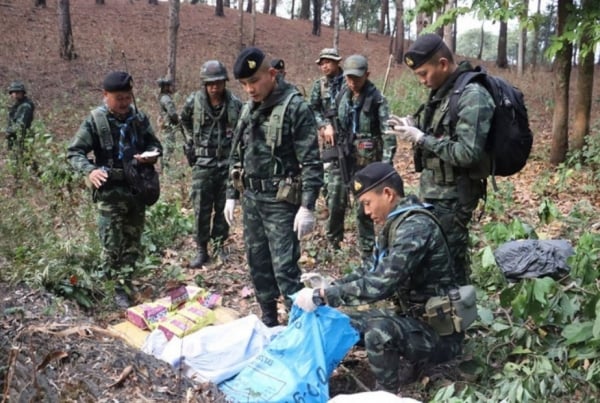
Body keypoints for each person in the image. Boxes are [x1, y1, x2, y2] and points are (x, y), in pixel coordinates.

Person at [294, 162, 464, 393]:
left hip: (440, 335)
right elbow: (370, 269)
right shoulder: (395, 223)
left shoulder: (415, 226)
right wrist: (332, 286)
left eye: (367, 203)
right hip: (414, 320)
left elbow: (382, 283)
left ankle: (385, 395)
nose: (366, 212)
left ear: (387, 194)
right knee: (340, 320)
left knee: (379, 333)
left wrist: (326, 295)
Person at [224, 47, 323, 327]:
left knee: (284, 267)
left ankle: (298, 323)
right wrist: (231, 195)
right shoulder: (248, 109)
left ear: (272, 74)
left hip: (281, 200)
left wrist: (307, 206)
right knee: (258, 263)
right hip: (252, 197)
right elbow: (236, 153)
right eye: (244, 84)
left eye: (254, 81)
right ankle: (268, 317)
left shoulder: (295, 108)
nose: (249, 89)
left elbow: (311, 163)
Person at [387, 33, 494, 284]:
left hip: (455, 198)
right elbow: (440, 133)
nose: (422, 81)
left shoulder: (472, 95)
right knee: (437, 263)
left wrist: (422, 138)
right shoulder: (443, 92)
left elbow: (468, 153)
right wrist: (411, 127)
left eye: (424, 74)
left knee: (450, 267)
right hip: (435, 193)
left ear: (443, 64)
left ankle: (461, 318)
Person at [67, 71, 162, 308]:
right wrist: (89, 170)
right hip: (110, 192)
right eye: (119, 98)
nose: (124, 103)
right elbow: (74, 151)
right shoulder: (96, 121)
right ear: (105, 95)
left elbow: (154, 144)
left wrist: (150, 155)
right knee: (111, 244)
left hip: (136, 188)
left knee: (132, 242)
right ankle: (111, 289)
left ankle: (125, 283)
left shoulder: (138, 118)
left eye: (128, 97)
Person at [328, 54, 394, 261]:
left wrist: (386, 166)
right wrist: (327, 126)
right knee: (335, 201)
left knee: (364, 207)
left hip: (367, 163)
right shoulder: (341, 97)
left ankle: (367, 250)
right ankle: (333, 242)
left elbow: (388, 135)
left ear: (367, 75)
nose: (352, 82)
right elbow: (330, 118)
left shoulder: (377, 99)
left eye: (356, 78)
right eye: (348, 78)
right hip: (343, 157)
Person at [180, 60, 242, 268]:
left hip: (226, 161)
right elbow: (184, 120)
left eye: (218, 83)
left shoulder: (234, 103)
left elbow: (243, 128)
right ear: (204, 84)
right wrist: (192, 140)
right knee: (201, 208)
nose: (214, 88)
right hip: (203, 163)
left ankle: (218, 245)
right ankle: (201, 248)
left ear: (225, 82)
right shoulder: (194, 101)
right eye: (210, 84)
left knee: (224, 205)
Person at [308, 47, 345, 213]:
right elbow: (313, 109)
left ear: (337, 62)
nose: (324, 66)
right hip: (328, 137)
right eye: (322, 63)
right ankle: (331, 204)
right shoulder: (319, 85)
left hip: (348, 134)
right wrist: (324, 125)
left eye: (328, 62)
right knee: (328, 170)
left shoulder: (349, 81)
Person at [4, 80, 35, 161]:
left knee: (23, 160)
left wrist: (7, 131)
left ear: (22, 93)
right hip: (16, 139)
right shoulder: (18, 105)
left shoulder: (25, 106)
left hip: (22, 139)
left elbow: (20, 125)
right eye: (14, 92)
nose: (15, 94)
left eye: (18, 92)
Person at [156, 77, 179, 170]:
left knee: (166, 145)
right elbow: (172, 113)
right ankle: (165, 167)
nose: (170, 88)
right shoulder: (166, 98)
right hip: (168, 125)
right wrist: (178, 119)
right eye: (169, 86)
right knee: (168, 146)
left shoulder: (162, 97)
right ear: (165, 87)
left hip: (165, 125)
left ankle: (164, 166)